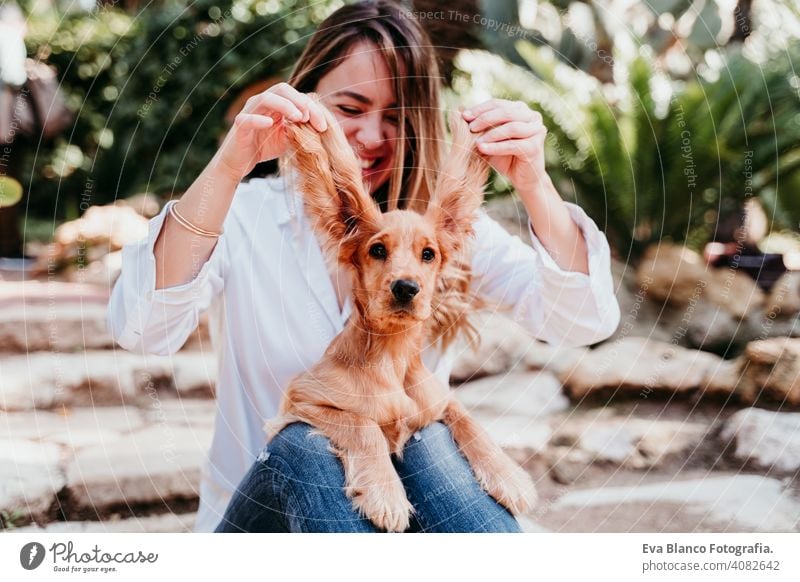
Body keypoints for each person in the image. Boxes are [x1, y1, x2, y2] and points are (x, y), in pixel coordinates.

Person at [108, 0, 620, 533]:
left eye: (396, 117)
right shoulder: (245, 216)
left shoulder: (441, 233)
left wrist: (536, 185)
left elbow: (584, 321)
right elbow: (141, 327)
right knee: (307, 443)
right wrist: (231, 163)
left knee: (428, 434)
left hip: (404, 512)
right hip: (267, 523)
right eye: (351, 109)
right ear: (306, 101)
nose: (373, 137)